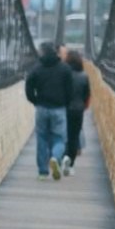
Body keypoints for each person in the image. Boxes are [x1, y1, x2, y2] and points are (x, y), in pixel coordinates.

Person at [25, 41, 73, 180]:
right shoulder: (65, 69)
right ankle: (55, 157)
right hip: (59, 108)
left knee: (41, 139)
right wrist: (66, 103)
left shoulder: (37, 68)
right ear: (55, 52)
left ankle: (42, 171)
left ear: (42, 53)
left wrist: (34, 100)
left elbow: (28, 86)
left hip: (41, 108)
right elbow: (70, 90)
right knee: (59, 138)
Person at [63, 48, 91, 176]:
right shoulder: (84, 76)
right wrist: (84, 106)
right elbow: (87, 95)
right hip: (78, 110)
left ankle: (63, 157)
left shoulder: (63, 74)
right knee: (74, 137)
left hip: (64, 109)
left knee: (63, 136)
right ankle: (71, 164)